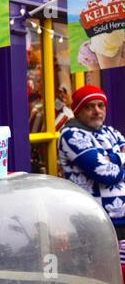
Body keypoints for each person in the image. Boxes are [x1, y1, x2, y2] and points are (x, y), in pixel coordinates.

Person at [58, 85, 125, 239]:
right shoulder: (71, 135)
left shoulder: (110, 131)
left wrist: (113, 159)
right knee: (103, 264)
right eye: (90, 106)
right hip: (95, 222)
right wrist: (118, 159)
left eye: (101, 105)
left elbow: (110, 167)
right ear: (78, 111)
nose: (97, 111)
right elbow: (105, 173)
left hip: (121, 222)